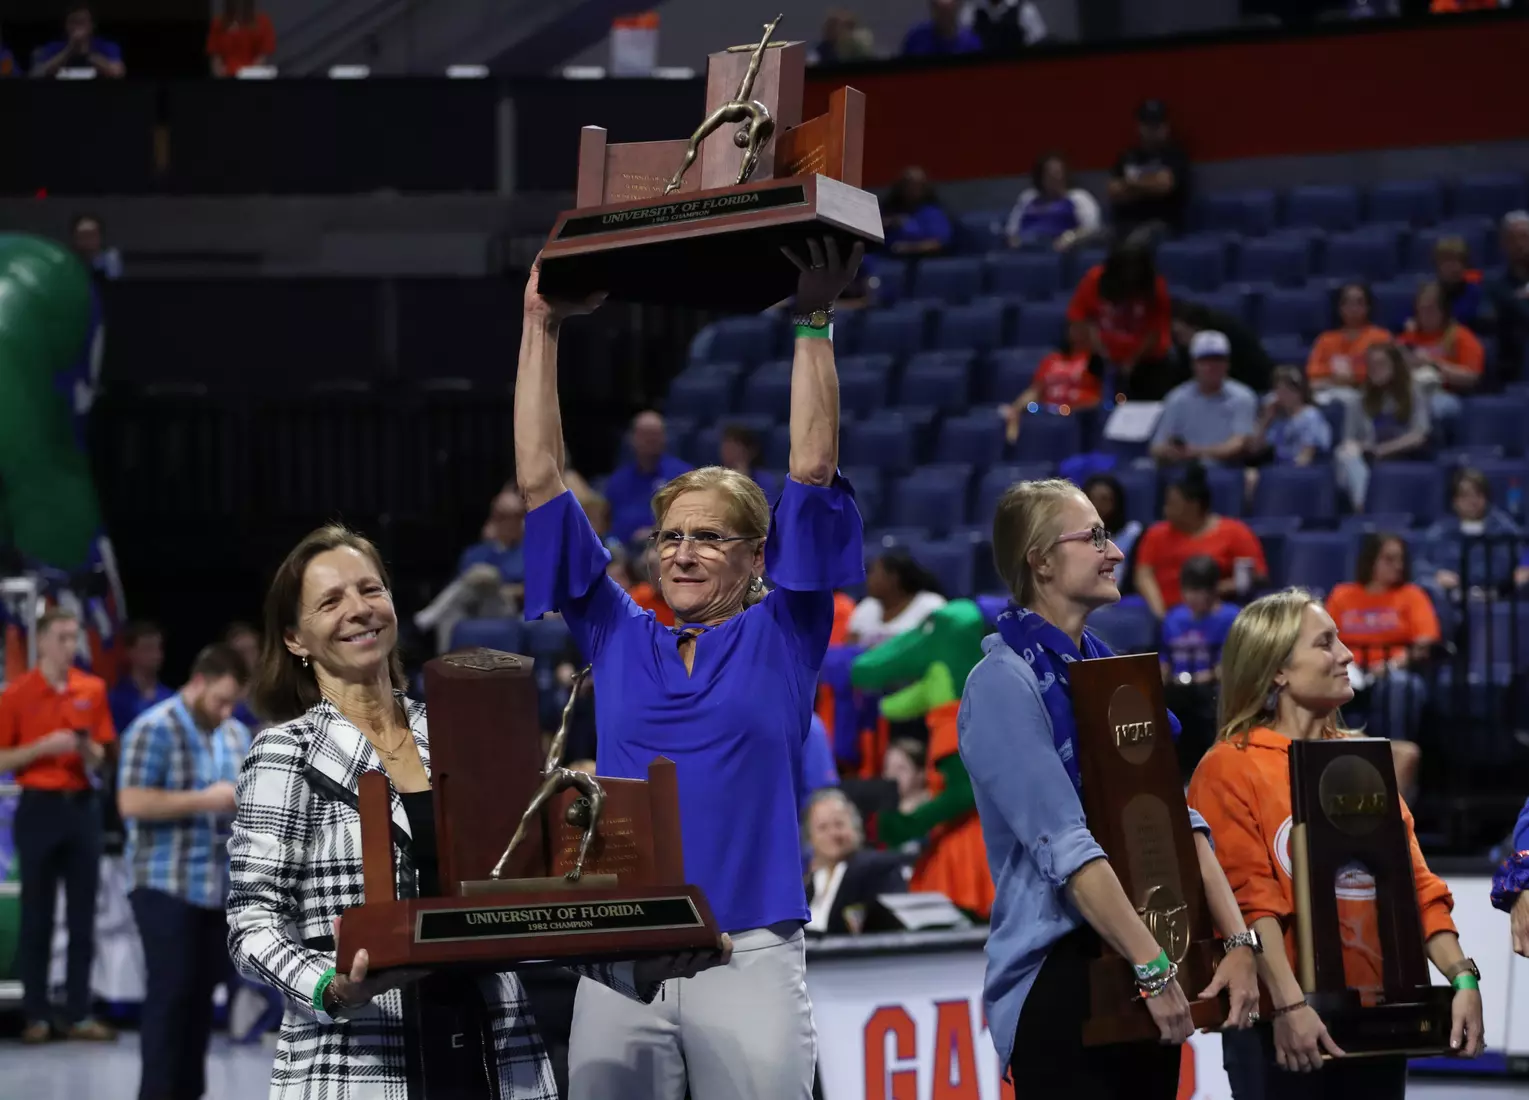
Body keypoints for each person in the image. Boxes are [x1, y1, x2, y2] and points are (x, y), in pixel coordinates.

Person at [515, 236, 866, 1100]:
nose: (681, 551)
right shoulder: (617, 633)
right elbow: (539, 485)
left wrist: (812, 321)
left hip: (747, 951)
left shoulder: (786, 629)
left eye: (707, 535)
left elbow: (813, 467)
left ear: (756, 555)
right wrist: (540, 326)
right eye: (670, 534)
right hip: (620, 951)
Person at [226, 525, 724, 1100]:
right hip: (357, 1061)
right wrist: (333, 988)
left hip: (495, 1054)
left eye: (371, 590)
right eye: (331, 601)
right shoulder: (284, 753)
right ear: (295, 638)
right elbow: (252, 925)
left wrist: (637, 967)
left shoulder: (461, 731)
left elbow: (528, 904)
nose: (359, 611)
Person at [963, 478, 1260, 1099]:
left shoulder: (1111, 674)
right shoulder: (1001, 683)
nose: (1115, 551)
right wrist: (1154, 968)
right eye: (1093, 536)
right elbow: (1066, 846)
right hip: (1066, 971)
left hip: (1142, 955)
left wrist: (1236, 942)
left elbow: (1180, 820)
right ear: (1040, 560)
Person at [1188, 589, 1485, 1099]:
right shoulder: (1228, 766)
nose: (1347, 655)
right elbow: (1250, 904)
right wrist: (1288, 1007)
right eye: (1326, 643)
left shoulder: (1360, 762)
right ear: (1277, 669)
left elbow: (1416, 887)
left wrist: (1462, 978)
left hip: (1374, 1024)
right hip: (1280, 1028)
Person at [117, 643, 252, 1100]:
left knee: (199, 1003)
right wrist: (205, 800)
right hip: (162, 883)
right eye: (221, 699)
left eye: (233, 701)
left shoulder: (235, 733)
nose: (227, 709)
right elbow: (130, 802)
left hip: (215, 888)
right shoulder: (153, 728)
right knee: (169, 996)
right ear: (198, 683)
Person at [0, 607, 117, 1043]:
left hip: (81, 805)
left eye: (75, 638)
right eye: (64, 638)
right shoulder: (17, 694)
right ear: (44, 642)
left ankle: (78, 1012)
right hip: (38, 807)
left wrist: (90, 753)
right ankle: (35, 1014)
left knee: (84, 915)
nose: (72, 646)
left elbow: (105, 754)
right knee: (37, 915)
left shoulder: (92, 688)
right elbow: (3, 759)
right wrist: (41, 748)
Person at [802, 789, 906, 935]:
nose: (833, 834)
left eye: (839, 824)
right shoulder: (809, 882)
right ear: (810, 837)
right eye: (822, 827)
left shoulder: (876, 869)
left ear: (856, 827)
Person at [846, 547, 947, 647]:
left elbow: (936, 648)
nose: (868, 579)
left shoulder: (930, 605)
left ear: (894, 578)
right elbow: (850, 650)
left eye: (874, 573)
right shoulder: (867, 606)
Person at [1004, 153, 1101, 251]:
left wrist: (1071, 238)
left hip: (1061, 252)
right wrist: (1014, 242)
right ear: (1041, 176)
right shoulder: (1027, 198)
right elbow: (1012, 230)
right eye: (1049, 174)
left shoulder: (1080, 198)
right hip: (1027, 252)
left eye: (1057, 173)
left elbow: (1092, 229)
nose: (1054, 178)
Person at [30, 5, 124, 79]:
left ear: (92, 26)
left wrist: (87, 54)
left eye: (82, 22)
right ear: (66, 25)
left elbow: (118, 73)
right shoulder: (53, 47)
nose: (77, 27)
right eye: (73, 22)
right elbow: (36, 74)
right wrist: (69, 50)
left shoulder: (107, 46)